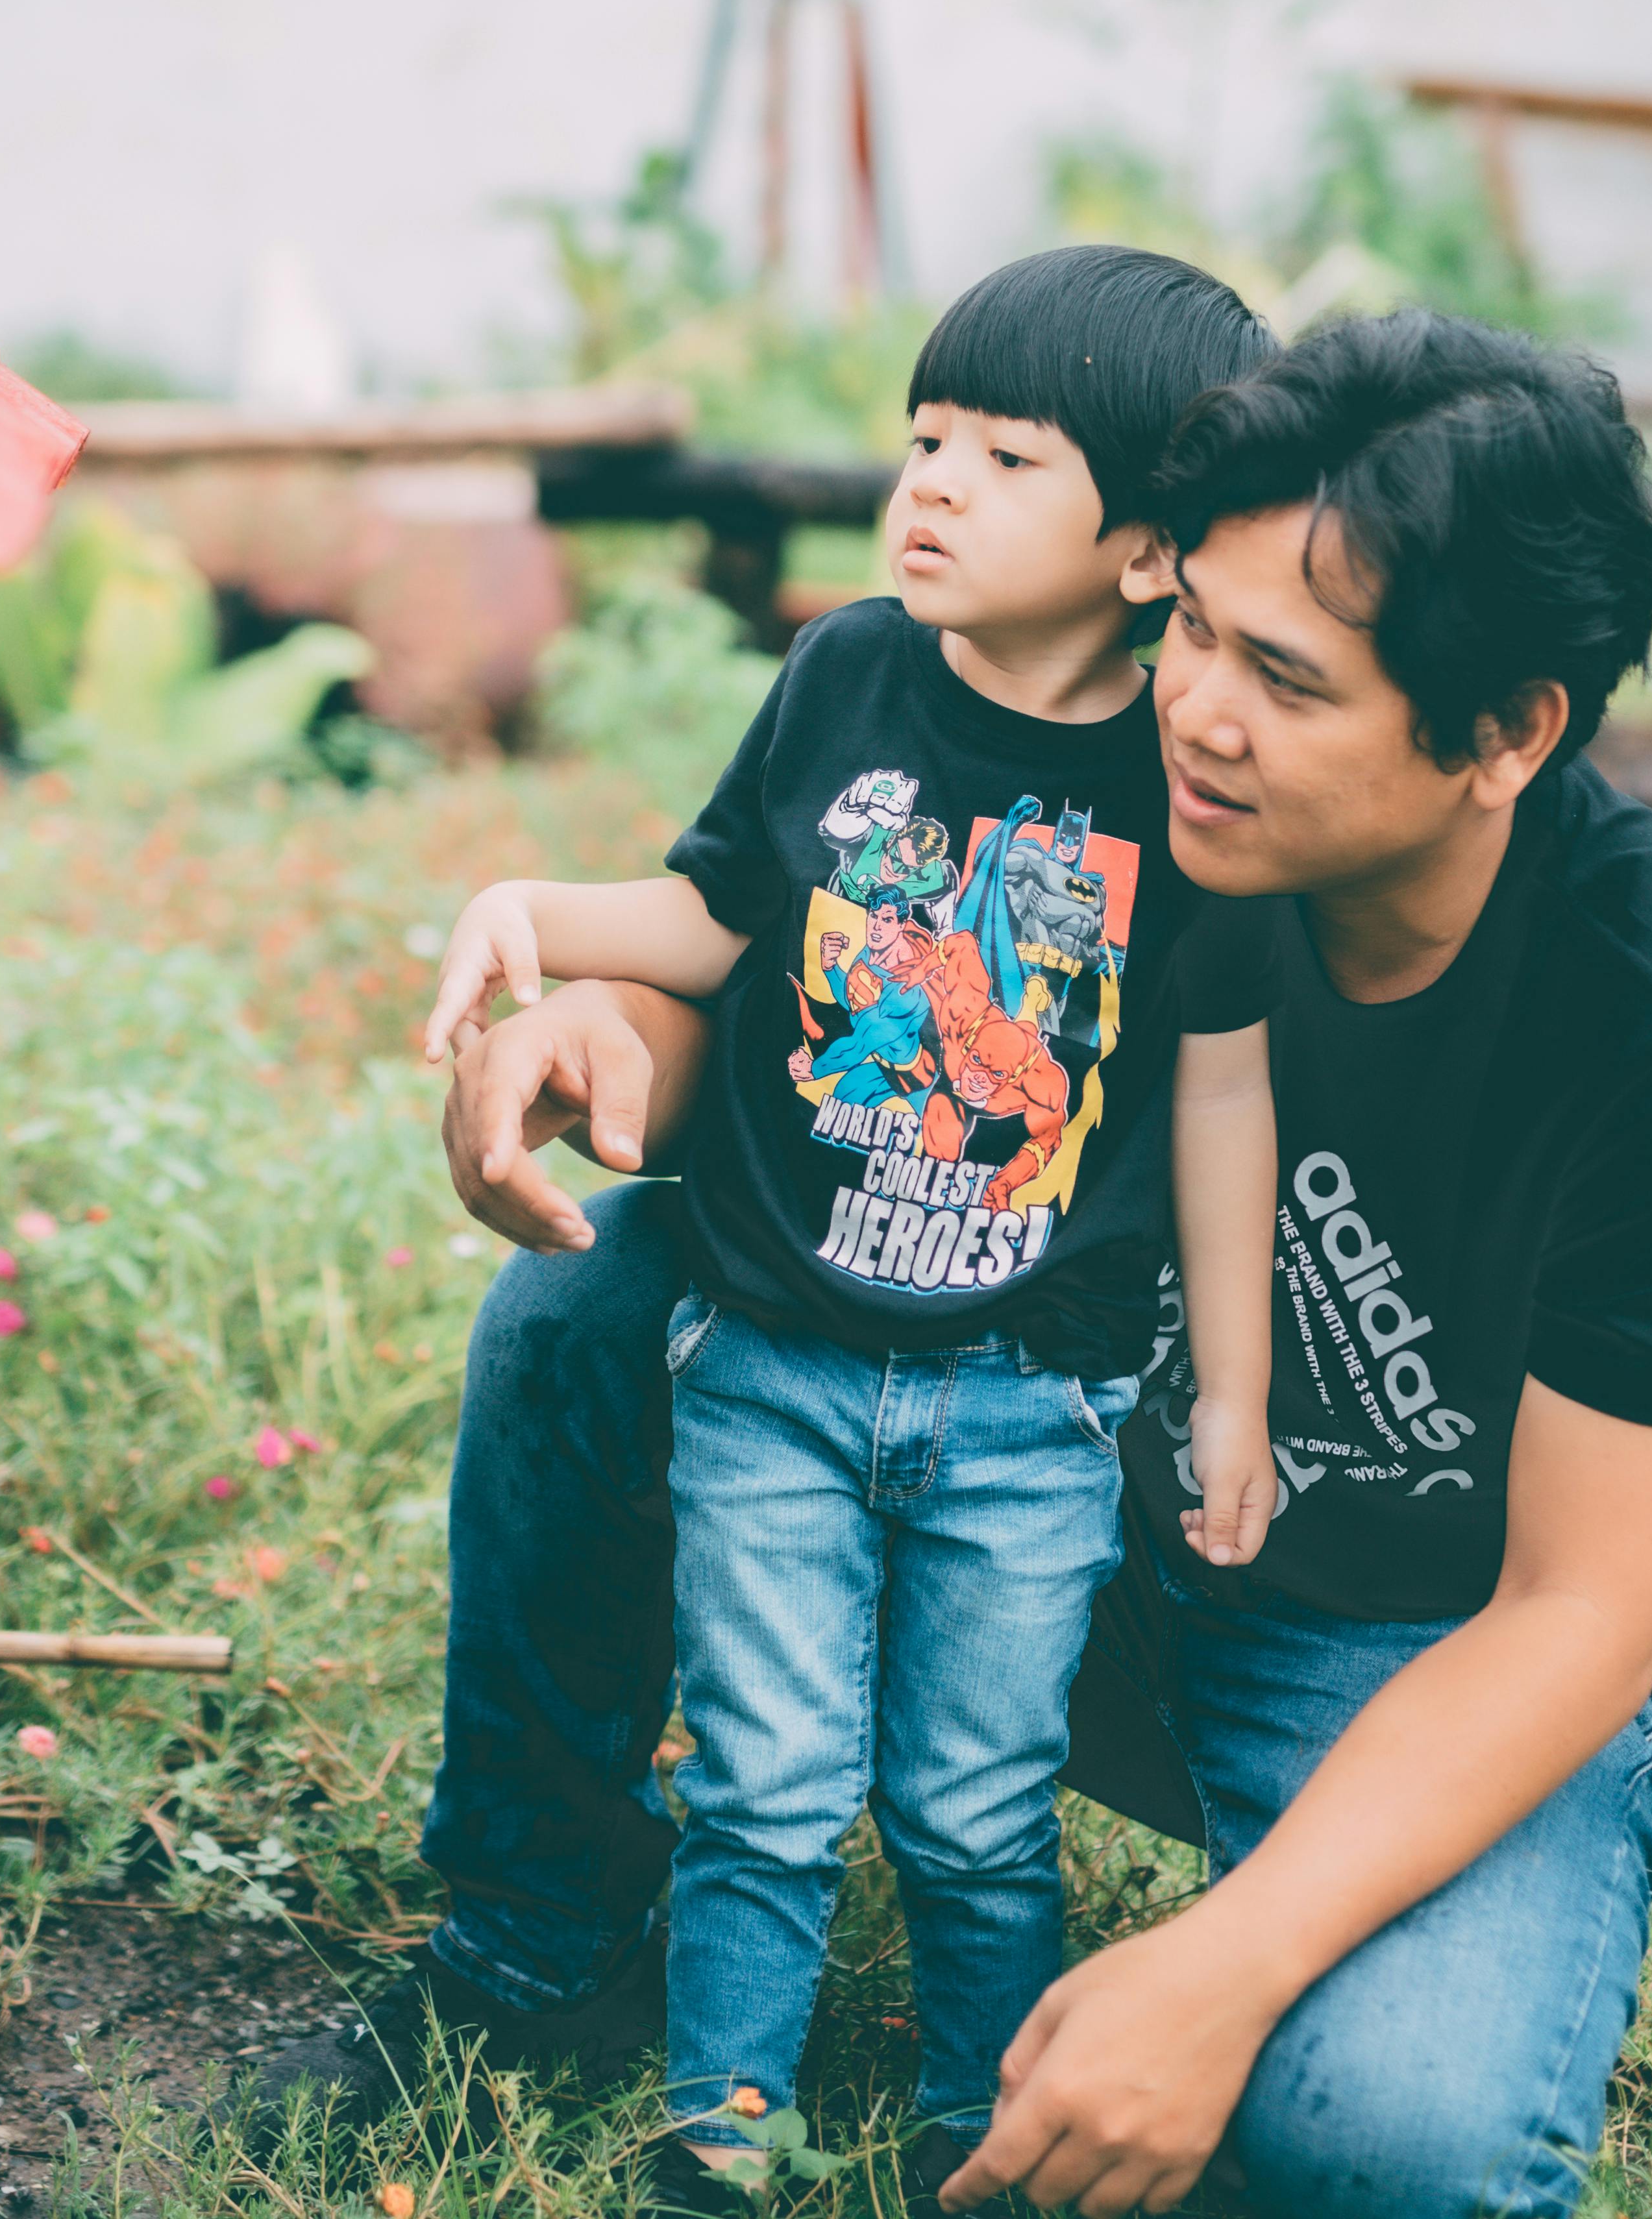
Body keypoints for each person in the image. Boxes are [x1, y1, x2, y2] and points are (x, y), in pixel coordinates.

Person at [269, 309, 1652, 2216]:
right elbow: (831, 999)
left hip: (1417, 1639)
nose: (1200, 712)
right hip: (1042, 1489)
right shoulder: (1103, 790)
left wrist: (1219, 1971)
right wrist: (613, 1033)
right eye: (1195, 633)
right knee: (602, 1298)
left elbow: (1587, 1614)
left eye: (1290, 681)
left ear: (1504, 734)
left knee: (1394, 2149)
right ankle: (546, 1938)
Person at [400, 246, 1280, 2193]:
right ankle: (718, 2113)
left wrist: (1231, 1383)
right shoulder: (847, 673)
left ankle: (984, 2125)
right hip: (778, 1354)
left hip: (1029, 1392)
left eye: (1005, 457)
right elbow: (719, 919)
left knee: (975, 1805)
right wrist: (529, 917)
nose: (935, 483)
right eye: (924, 437)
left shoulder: (1181, 773)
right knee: (767, 1779)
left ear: (1148, 551)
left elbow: (1222, 1080)